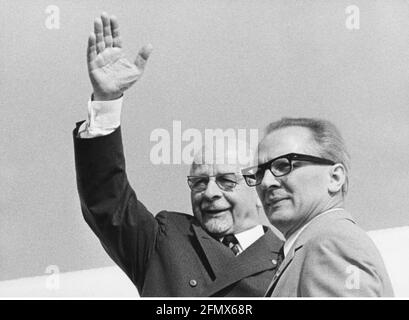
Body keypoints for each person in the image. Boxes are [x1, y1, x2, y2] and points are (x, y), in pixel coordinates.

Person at [73, 13, 282, 297]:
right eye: (198, 182)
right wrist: (107, 101)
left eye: (225, 181)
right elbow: (106, 201)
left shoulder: (289, 263)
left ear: (257, 187)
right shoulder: (165, 239)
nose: (209, 193)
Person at [241, 117, 394, 297]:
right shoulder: (312, 247)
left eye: (283, 165)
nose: (266, 183)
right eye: (259, 173)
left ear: (335, 178)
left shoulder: (331, 244)